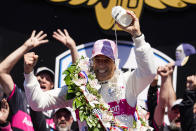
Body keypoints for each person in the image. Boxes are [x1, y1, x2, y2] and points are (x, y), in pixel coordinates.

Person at [23, 10, 157, 129]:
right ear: (91, 62)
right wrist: (29, 73)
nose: (102, 65)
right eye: (98, 60)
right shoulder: (79, 89)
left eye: (106, 61)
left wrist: (138, 36)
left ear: (115, 63)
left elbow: (149, 72)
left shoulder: (127, 82)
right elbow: (37, 103)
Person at [153, 63, 182, 131]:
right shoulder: (164, 129)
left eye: (182, 112)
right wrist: (166, 77)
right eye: (175, 112)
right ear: (169, 114)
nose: (178, 116)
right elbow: (161, 106)